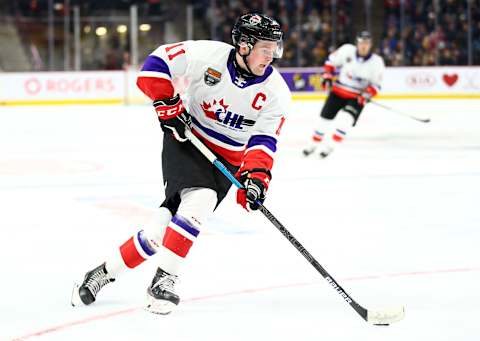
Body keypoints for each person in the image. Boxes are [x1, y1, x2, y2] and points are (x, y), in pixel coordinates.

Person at [71, 13, 291, 315]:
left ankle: (103, 273)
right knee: (201, 199)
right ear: (243, 45)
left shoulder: (276, 93)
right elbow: (155, 66)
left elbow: (264, 142)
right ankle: (163, 281)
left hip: (227, 161)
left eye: (274, 48)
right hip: (187, 140)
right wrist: (166, 102)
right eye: (265, 47)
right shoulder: (206, 55)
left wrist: (256, 178)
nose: (271, 56)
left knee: (158, 233)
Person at [303, 31, 385, 158]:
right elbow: (330, 62)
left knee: (346, 120)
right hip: (338, 91)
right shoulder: (347, 50)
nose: (364, 45)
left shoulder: (377, 62)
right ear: (357, 43)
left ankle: (330, 146)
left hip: (357, 96)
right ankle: (313, 144)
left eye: (367, 43)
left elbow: (376, 85)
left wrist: (368, 94)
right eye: (362, 42)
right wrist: (328, 75)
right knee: (325, 119)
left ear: (370, 45)